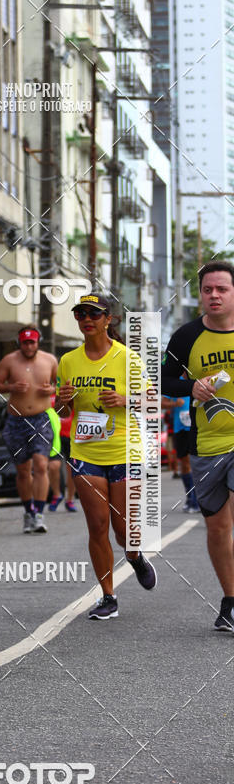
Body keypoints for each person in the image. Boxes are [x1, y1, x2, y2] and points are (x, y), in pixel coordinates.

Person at [55, 293, 157, 620]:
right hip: (86, 451)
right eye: (81, 314)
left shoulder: (127, 358)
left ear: (108, 319)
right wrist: (62, 400)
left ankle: (135, 555)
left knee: (123, 529)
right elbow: (63, 410)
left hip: (124, 450)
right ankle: (108, 596)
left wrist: (125, 399)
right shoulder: (68, 361)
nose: (87, 319)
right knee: (97, 526)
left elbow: (152, 400)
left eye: (94, 314)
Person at [162, 260, 234, 632]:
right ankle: (230, 601)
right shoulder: (186, 337)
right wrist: (191, 386)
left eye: (222, 289)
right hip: (206, 444)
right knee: (218, 528)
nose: (214, 295)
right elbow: (162, 380)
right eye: (208, 290)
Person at [0, 327, 58, 533]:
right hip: (16, 421)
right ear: (19, 342)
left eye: (32, 342)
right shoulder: (9, 360)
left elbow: (62, 384)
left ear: (38, 342)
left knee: (41, 464)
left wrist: (52, 389)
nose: (28, 346)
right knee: (23, 470)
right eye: (25, 342)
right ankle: (29, 512)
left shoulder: (49, 360)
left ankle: (39, 514)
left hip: (41, 419)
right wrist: (11, 388)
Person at [161, 395, 200, 512]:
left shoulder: (199, 383)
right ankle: (191, 498)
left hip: (198, 427)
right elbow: (162, 404)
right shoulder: (174, 386)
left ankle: (197, 499)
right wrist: (174, 404)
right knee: (185, 464)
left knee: (197, 464)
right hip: (180, 429)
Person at [48, 397, 78, 512]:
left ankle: (70, 499)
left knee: (72, 468)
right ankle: (57, 494)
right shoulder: (47, 392)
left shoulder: (71, 390)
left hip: (72, 434)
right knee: (53, 466)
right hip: (54, 435)